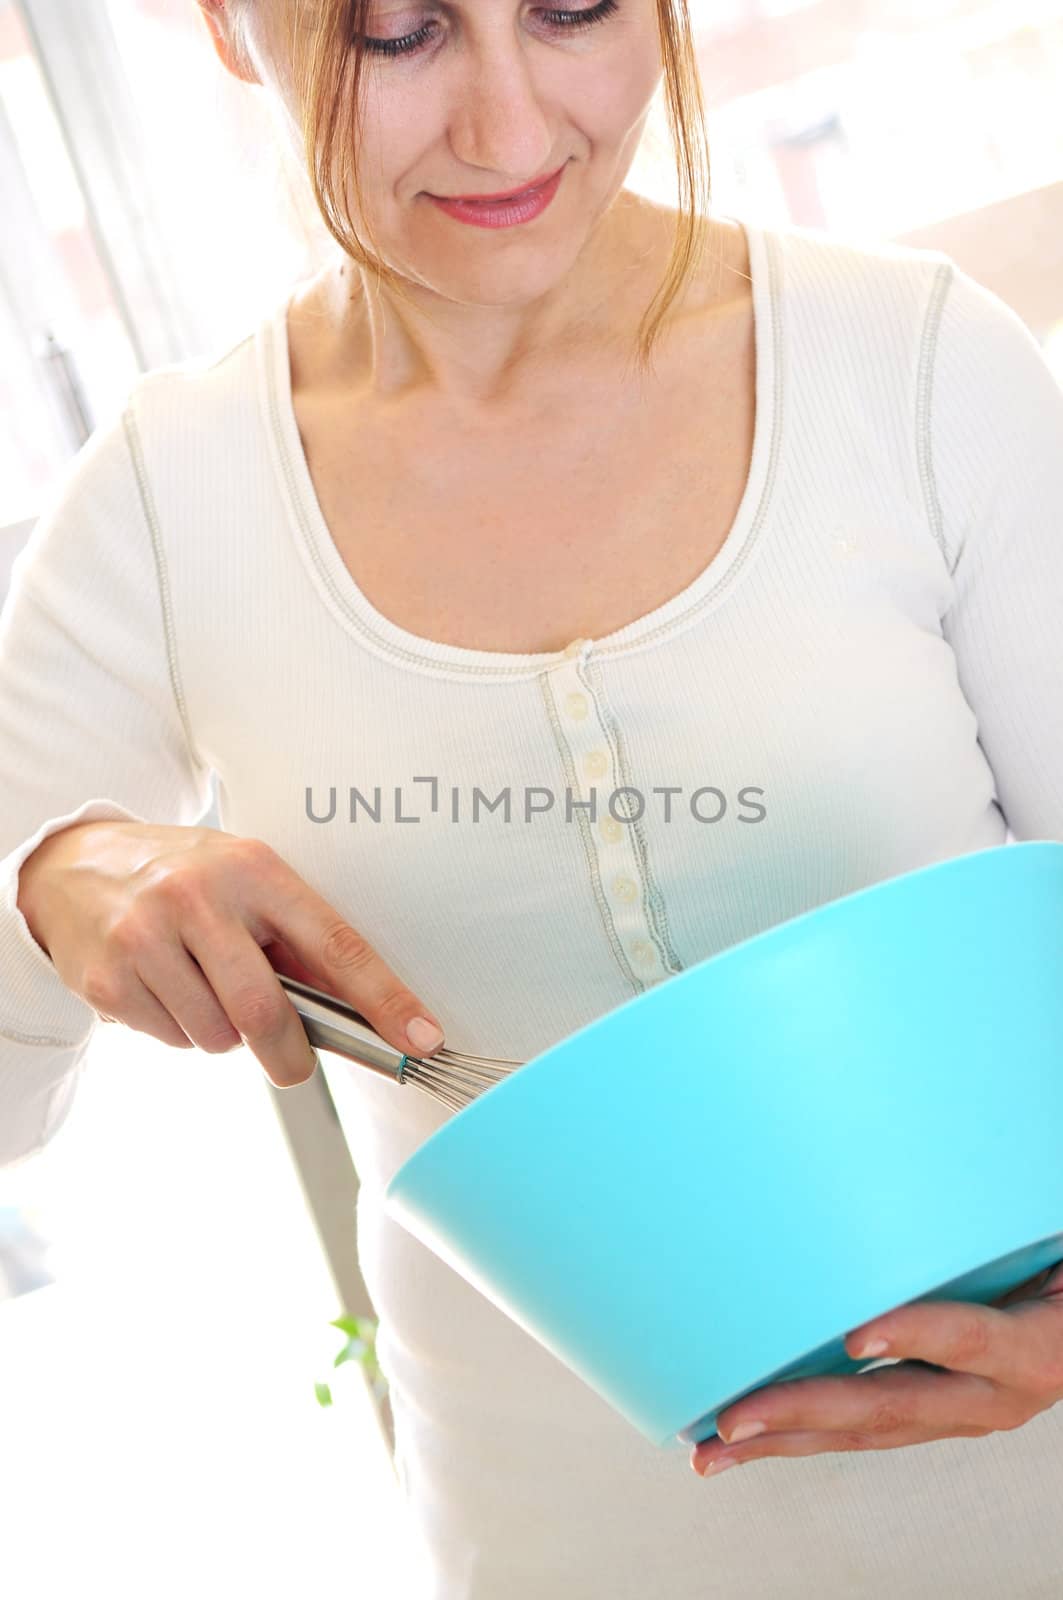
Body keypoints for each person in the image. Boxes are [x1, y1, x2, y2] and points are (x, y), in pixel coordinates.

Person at [2, 0, 1062, 1593]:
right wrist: (52, 880)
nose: (509, 132)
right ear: (232, 24)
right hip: (549, 1549)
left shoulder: (918, 366)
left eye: (575, 10)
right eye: (399, 36)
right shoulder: (167, 506)